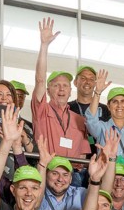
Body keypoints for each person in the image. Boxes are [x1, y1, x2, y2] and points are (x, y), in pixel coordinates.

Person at [31, 18, 91, 161]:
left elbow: (83, 153)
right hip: (47, 168)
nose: (61, 89)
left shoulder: (79, 120)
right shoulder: (42, 110)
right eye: (56, 85)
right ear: (48, 90)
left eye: (65, 85)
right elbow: (40, 80)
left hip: (71, 172)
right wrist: (44, 46)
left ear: (70, 91)